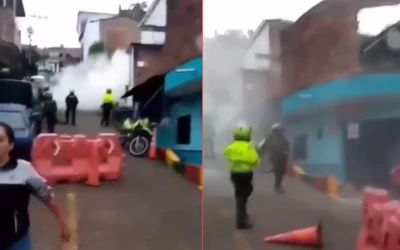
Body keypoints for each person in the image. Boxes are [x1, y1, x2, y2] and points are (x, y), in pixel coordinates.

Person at [0, 122, 70, 250]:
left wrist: (63, 224)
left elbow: (48, 197)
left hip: (16, 242)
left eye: (0, 140)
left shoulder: (24, 169)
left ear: (11, 145)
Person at [223, 126, 259, 229]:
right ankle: (241, 222)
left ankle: (242, 213)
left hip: (234, 174)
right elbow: (255, 160)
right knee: (244, 195)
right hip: (246, 174)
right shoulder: (249, 146)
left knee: (239, 194)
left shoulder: (231, 146)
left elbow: (225, 153)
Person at [263, 123, 290, 194]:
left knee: (282, 171)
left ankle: (278, 184)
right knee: (277, 171)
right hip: (274, 157)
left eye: (279, 130)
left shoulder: (284, 140)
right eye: (276, 131)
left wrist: (286, 153)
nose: (278, 132)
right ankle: (277, 185)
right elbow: (264, 146)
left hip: (282, 158)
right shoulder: (269, 139)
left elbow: (287, 147)